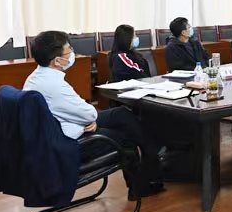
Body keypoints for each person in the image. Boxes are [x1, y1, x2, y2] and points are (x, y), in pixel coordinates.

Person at [23, 31, 163, 199]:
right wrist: (85, 121)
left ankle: (152, 154)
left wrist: (85, 119)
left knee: (121, 114)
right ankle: (141, 185)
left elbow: (77, 111)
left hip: (62, 129)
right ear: (57, 61)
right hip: (70, 143)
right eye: (69, 50)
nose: (73, 53)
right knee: (126, 137)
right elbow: (89, 114)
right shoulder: (53, 85)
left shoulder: (35, 77)